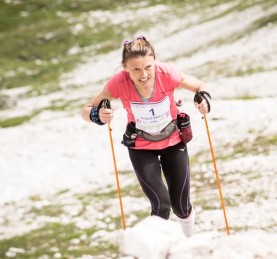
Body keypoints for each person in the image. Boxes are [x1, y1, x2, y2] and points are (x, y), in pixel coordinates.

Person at [81, 36, 211, 237]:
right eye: (135, 70)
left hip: (174, 142)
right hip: (141, 147)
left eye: (148, 67)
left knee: (182, 207)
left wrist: (203, 100)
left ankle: (187, 244)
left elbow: (199, 85)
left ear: (154, 62)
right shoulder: (118, 83)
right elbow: (86, 110)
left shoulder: (167, 73)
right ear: (125, 68)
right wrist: (97, 114)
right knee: (161, 206)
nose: (143, 74)